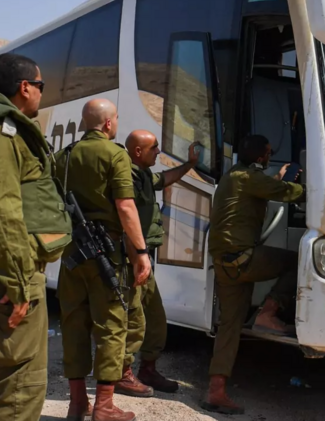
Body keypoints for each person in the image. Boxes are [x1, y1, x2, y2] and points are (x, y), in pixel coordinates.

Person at [0, 53, 72, 421]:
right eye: (40, 86)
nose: (42, 93)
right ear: (24, 87)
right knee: (18, 387)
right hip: (5, 280)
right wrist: (19, 279)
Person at [55, 98, 152, 421]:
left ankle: (77, 402)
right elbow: (125, 206)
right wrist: (140, 253)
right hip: (106, 254)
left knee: (73, 324)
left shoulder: (65, 157)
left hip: (73, 253)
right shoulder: (115, 155)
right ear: (109, 124)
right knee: (111, 326)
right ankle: (104, 407)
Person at [202, 134, 305, 415]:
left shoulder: (233, 176)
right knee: (300, 262)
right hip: (244, 260)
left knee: (229, 326)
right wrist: (301, 185)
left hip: (225, 264)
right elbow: (293, 193)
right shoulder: (249, 179)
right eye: (269, 153)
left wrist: (278, 177)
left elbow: (266, 186)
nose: (270, 157)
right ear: (261, 157)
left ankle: (216, 391)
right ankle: (267, 314)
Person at [119, 130, 200, 395]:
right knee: (135, 319)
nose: (158, 152)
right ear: (138, 152)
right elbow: (126, 223)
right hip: (130, 259)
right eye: (154, 148)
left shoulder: (142, 176)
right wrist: (136, 260)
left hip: (143, 258)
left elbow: (165, 178)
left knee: (155, 317)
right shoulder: (126, 177)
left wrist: (189, 165)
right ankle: (122, 373)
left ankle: (148, 369)